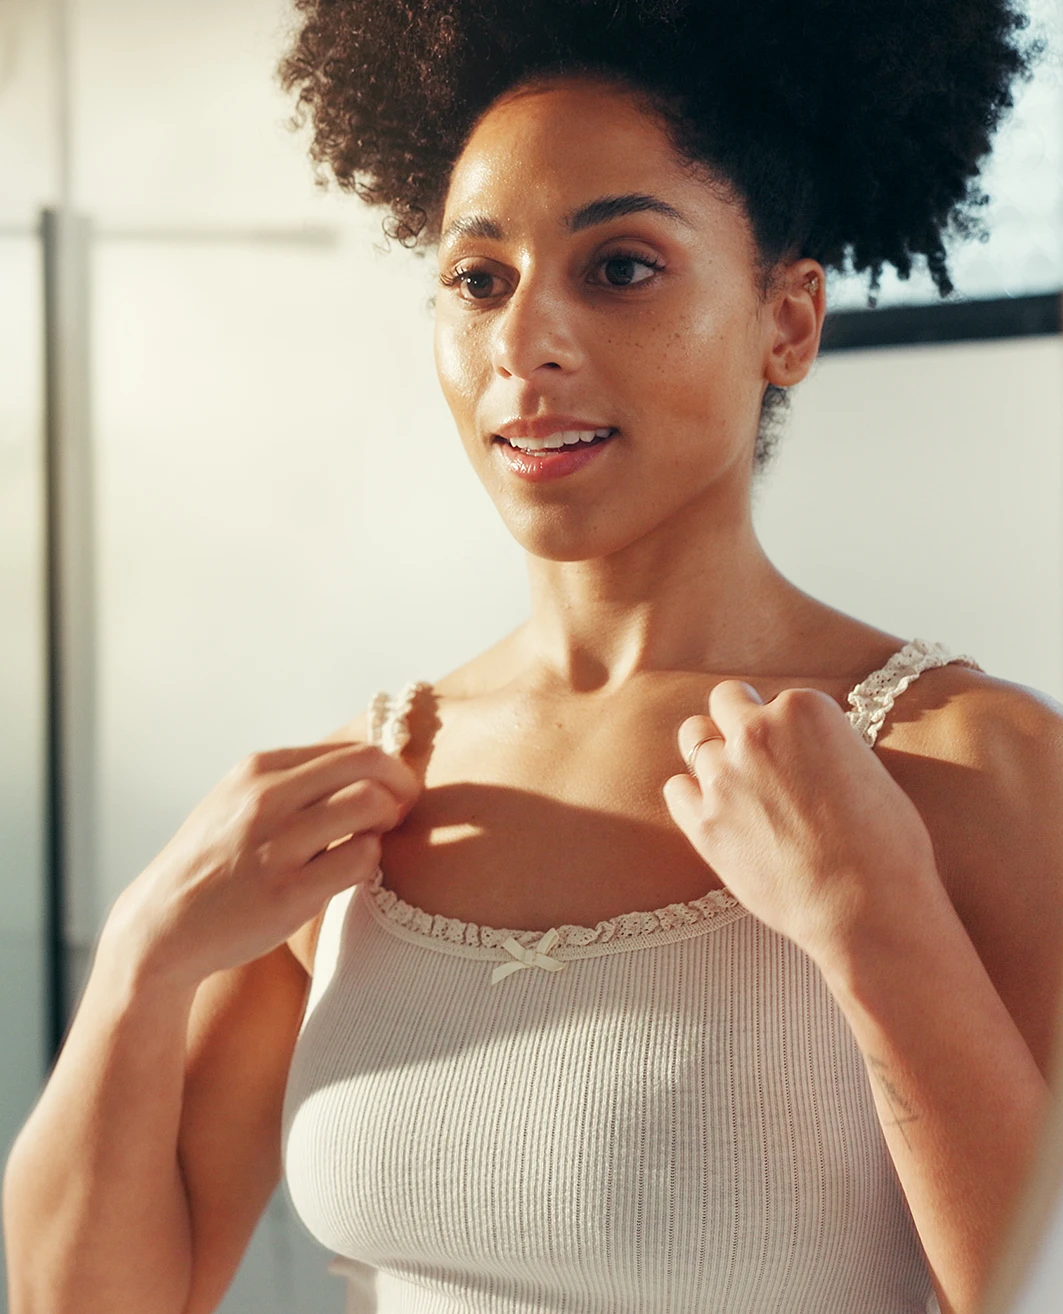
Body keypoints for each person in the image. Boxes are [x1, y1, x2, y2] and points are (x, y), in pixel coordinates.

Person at [4, 2, 1062, 1312]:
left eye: (618, 267)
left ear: (785, 321)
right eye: (477, 279)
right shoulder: (360, 790)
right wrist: (142, 958)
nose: (521, 345)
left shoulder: (969, 765)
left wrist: (875, 923)